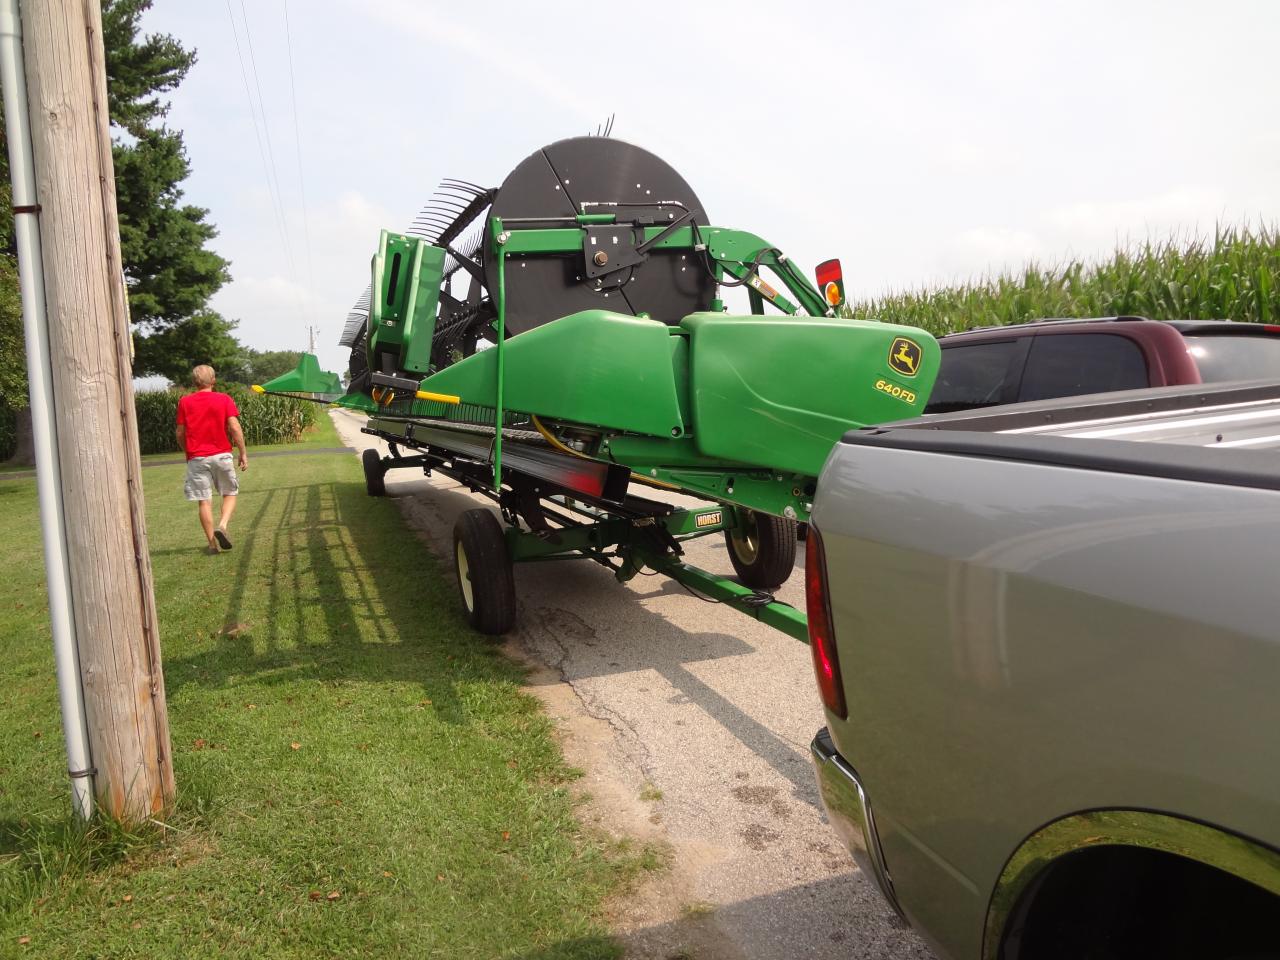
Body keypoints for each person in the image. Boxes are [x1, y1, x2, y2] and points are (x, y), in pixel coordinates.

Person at [176, 365, 248, 554]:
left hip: (197, 458)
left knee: (204, 501)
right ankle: (222, 525)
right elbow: (234, 427)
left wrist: (187, 452)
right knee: (230, 492)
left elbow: (180, 432)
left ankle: (211, 545)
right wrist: (242, 452)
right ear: (213, 380)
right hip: (222, 455)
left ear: (194, 382)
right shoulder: (224, 399)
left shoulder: (185, 402)